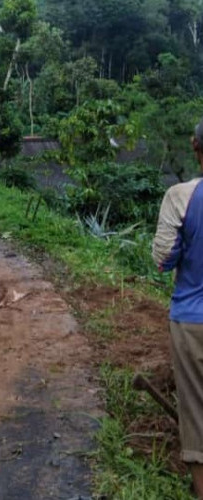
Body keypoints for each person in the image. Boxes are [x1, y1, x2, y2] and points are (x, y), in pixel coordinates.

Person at [152, 118, 203, 498]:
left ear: (195, 148)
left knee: (196, 410)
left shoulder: (181, 196)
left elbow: (163, 258)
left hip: (192, 320)